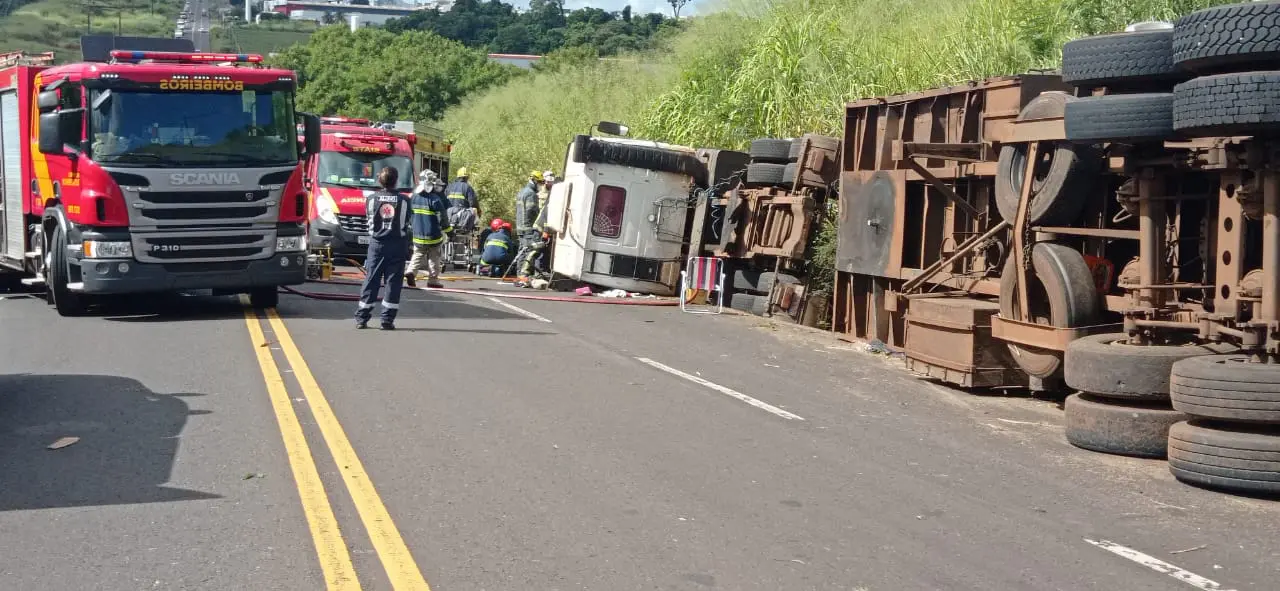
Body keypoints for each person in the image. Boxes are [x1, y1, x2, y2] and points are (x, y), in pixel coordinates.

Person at [355, 167, 412, 330]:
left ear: (380, 180)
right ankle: (387, 320)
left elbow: (369, 219)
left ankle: (362, 318)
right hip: (397, 245)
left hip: (377, 245)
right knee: (393, 283)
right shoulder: (404, 200)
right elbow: (407, 222)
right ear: (396, 180)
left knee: (371, 280)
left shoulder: (371, 199)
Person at [405, 170, 452, 289]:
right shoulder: (435, 199)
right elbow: (443, 218)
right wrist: (449, 231)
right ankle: (433, 280)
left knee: (417, 254)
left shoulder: (413, 198)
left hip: (417, 235)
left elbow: (407, 215)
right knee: (434, 258)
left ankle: (411, 272)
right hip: (433, 236)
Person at [445, 167, 480, 233]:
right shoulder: (468, 187)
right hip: (461, 218)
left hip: (448, 216)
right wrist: (479, 211)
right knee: (474, 210)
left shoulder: (449, 186)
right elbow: (473, 204)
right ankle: (468, 232)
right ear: (466, 178)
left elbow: (444, 201)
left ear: (458, 177)